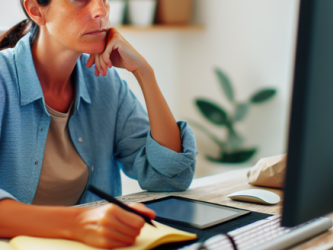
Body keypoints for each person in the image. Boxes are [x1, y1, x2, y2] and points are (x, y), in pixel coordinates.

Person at [0, 0, 197, 248]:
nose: (101, 11)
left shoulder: (104, 82)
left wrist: (144, 73)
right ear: (36, 9)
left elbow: (169, 177)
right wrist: (80, 223)